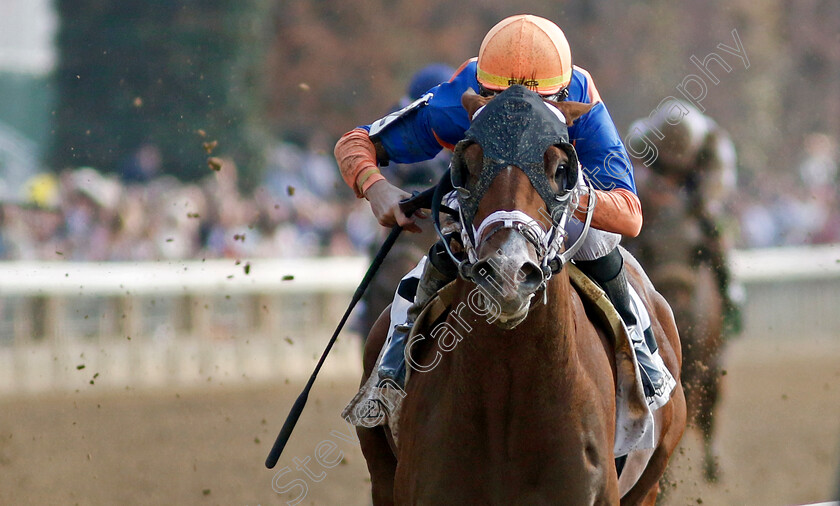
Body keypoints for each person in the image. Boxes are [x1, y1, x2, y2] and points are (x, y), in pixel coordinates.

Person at [334, 14, 675, 408]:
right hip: (486, 204)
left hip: (556, 206)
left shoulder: (583, 96)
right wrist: (375, 188)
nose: (519, 112)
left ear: (564, 97)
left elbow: (630, 214)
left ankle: (639, 348)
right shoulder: (455, 98)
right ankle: (393, 367)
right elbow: (355, 142)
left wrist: (564, 191)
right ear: (480, 90)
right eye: (500, 101)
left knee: (600, 242)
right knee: (440, 249)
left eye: (539, 103)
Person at [626, 99, 743, 335]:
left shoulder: (714, 145)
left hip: (696, 188)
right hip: (655, 188)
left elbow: (718, 187)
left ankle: (730, 289)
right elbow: (628, 173)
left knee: (714, 227)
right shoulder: (641, 137)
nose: (674, 164)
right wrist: (651, 194)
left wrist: (694, 203)